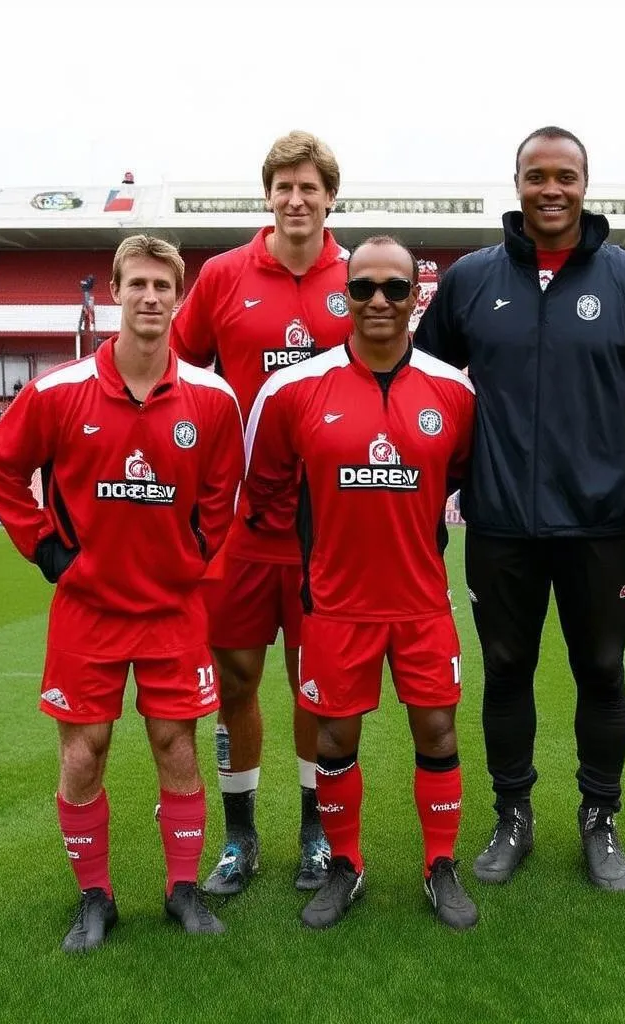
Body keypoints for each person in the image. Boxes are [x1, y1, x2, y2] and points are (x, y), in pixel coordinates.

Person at [415, 126, 625, 892]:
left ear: (586, 183)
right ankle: (513, 816)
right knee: (506, 670)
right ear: (517, 183)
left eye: (565, 175)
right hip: (499, 524)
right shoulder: (471, 279)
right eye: (537, 176)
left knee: (601, 671)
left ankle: (600, 822)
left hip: (599, 525)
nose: (551, 189)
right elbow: (424, 386)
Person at [0, 235, 245, 951]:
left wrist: (197, 553)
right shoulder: (58, 391)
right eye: (138, 285)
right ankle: (94, 897)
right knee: (84, 753)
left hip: (172, 611)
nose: (151, 297)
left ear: (178, 298)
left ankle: (181, 890)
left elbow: (223, 493)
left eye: (163, 285)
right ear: (114, 295)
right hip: (88, 610)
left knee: (175, 745)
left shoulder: (213, 400)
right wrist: (43, 544)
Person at [245, 236, 477, 930]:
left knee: (437, 729)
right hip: (337, 606)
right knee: (335, 739)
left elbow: (461, 473)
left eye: (395, 288)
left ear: (416, 297)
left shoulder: (454, 390)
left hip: (419, 601)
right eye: (365, 287)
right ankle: (346, 866)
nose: (379, 300)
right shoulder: (292, 389)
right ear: (344, 295)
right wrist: (322, 561)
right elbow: (266, 488)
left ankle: (441, 864)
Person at [172, 130, 352, 895]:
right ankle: (240, 838)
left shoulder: (364, 279)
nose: (296, 197)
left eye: (309, 186)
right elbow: (181, 376)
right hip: (241, 532)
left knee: (320, 686)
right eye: (283, 185)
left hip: (328, 536)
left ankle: (317, 832)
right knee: (237, 680)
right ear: (268, 194)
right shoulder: (221, 276)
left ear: (329, 196)